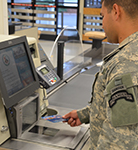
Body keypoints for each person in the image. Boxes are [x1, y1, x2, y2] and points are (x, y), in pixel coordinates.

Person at [63, 0, 138, 149]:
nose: (102, 25)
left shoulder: (125, 65)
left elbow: (119, 143)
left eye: (102, 16)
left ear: (116, 11)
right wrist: (85, 114)